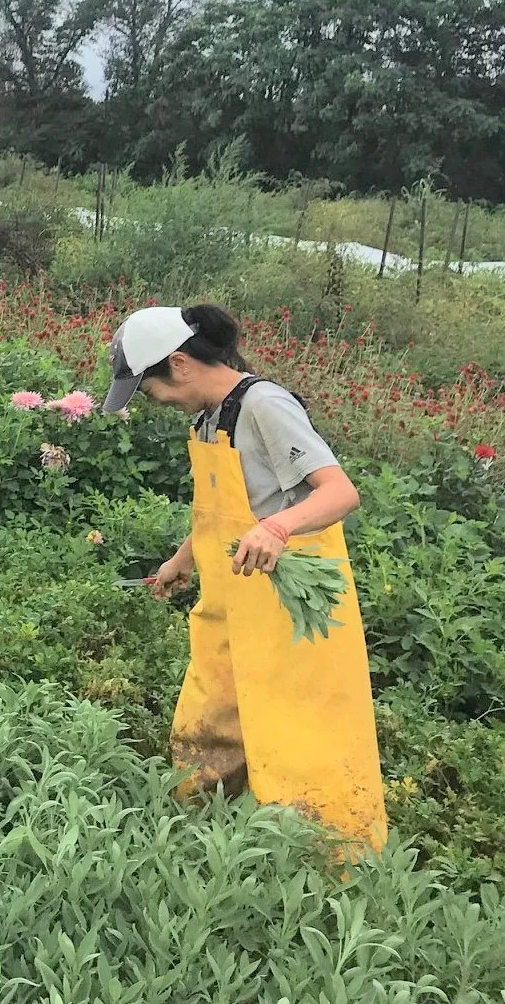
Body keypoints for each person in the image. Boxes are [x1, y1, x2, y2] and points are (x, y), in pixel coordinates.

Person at [104, 304, 386, 852]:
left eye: (148, 388)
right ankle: (198, 841)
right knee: (207, 722)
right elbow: (224, 509)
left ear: (180, 364)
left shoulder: (265, 404)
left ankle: (328, 861)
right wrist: (184, 557)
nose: (152, 400)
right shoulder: (209, 417)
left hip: (289, 611)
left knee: (299, 740)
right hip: (231, 605)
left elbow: (339, 492)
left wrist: (278, 529)